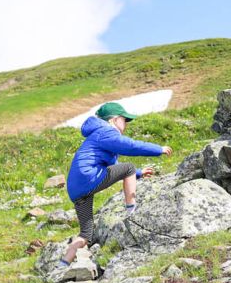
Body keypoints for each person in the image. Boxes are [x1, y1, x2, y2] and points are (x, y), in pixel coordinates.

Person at [60, 101, 172, 266]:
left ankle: (62, 265)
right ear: (114, 119)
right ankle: (131, 211)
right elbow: (130, 147)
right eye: (124, 120)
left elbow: (111, 169)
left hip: (77, 189)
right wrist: (158, 149)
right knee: (128, 167)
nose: (125, 124)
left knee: (86, 234)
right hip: (89, 177)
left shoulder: (97, 134)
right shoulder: (106, 131)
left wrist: (138, 173)